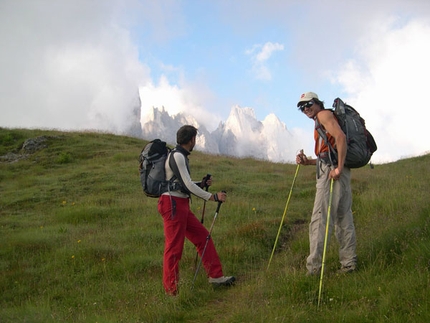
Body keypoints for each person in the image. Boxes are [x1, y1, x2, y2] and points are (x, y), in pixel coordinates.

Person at [158, 125, 235, 295]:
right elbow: (186, 185)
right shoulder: (177, 156)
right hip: (173, 205)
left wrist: (201, 184)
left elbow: (183, 183)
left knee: (203, 237)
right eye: (195, 139)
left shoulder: (180, 155)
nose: (195, 142)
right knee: (174, 248)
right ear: (191, 139)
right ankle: (171, 291)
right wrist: (212, 197)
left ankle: (215, 276)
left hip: (178, 204)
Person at [295, 92, 357, 275]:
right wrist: (308, 162)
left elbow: (341, 138)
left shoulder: (323, 115)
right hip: (338, 170)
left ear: (317, 103)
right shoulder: (323, 118)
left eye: (308, 104)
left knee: (319, 218)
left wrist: (337, 168)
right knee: (343, 217)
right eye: (302, 107)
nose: (306, 109)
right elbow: (328, 152)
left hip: (332, 173)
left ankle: (313, 268)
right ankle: (349, 264)